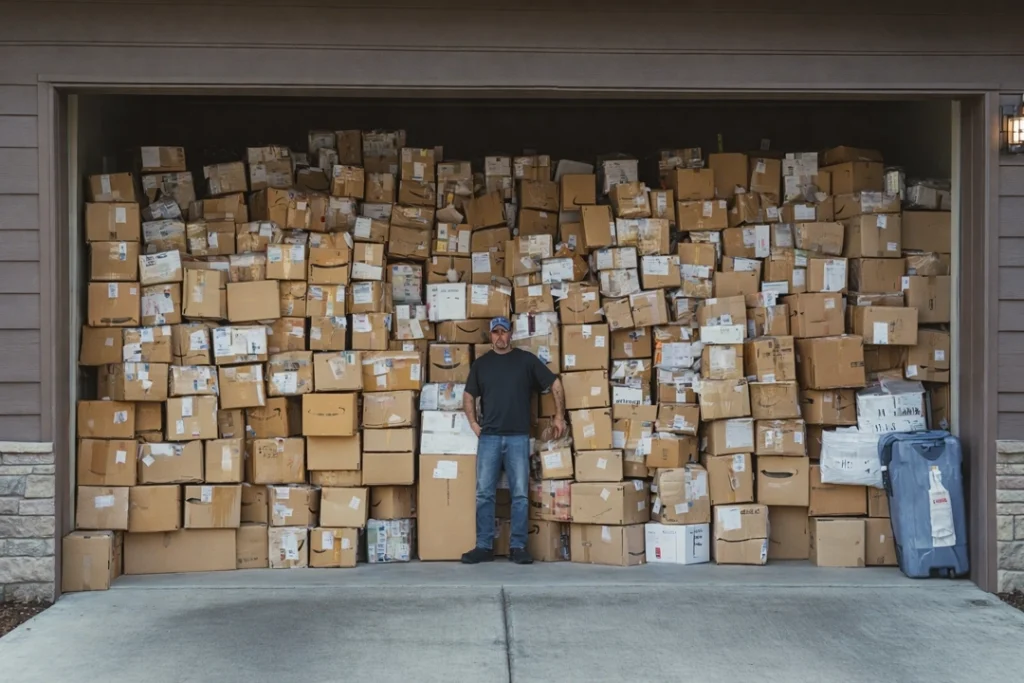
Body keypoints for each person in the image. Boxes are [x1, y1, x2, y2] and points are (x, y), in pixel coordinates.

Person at [460, 316, 565, 565]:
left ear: (511, 334)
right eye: (495, 332)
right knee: (484, 494)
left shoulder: (525, 361)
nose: (499, 336)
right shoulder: (481, 365)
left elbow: (555, 383)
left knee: (520, 495)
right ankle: (484, 546)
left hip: (518, 437)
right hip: (490, 438)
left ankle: (518, 547)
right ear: (491, 335)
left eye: (503, 332)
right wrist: (474, 424)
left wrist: (560, 416)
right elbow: (468, 395)